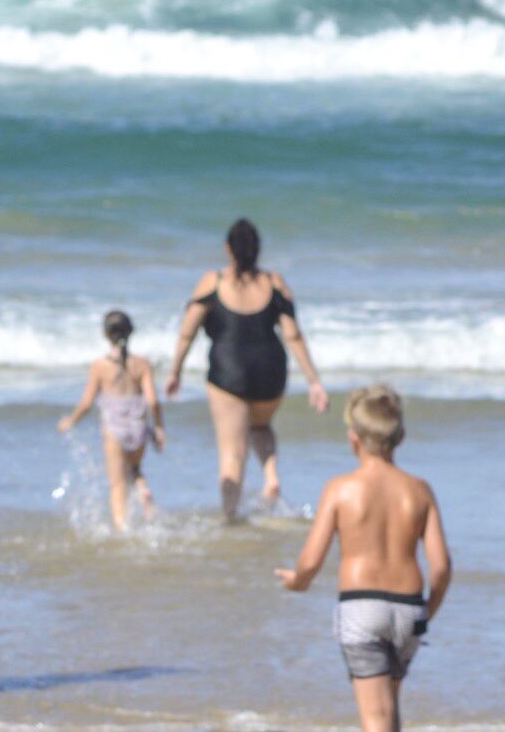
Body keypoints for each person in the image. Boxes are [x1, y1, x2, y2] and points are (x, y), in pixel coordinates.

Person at [274, 383, 453, 732]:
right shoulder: (419, 491)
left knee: (373, 714)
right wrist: (427, 613)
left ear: (353, 438)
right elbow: (442, 567)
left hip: (361, 607)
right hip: (409, 608)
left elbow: (311, 560)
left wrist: (296, 581)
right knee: (390, 709)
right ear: (399, 437)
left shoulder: (341, 489)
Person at [168, 218, 329, 519]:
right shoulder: (274, 282)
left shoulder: (214, 281)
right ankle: (271, 477)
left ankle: (231, 516)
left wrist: (175, 371)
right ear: (257, 249)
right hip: (271, 369)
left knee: (232, 452)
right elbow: (293, 335)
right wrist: (314, 381)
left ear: (228, 248)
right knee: (260, 426)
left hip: (228, 371)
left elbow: (188, 331)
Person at [58, 308, 165, 530]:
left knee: (117, 484)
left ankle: (121, 527)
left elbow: (86, 403)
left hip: (114, 429)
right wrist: (159, 427)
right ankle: (144, 492)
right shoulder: (142, 364)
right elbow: (153, 400)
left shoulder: (100, 366)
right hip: (138, 424)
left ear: (105, 334)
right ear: (131, 332)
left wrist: (71, 421)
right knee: (135, 470)